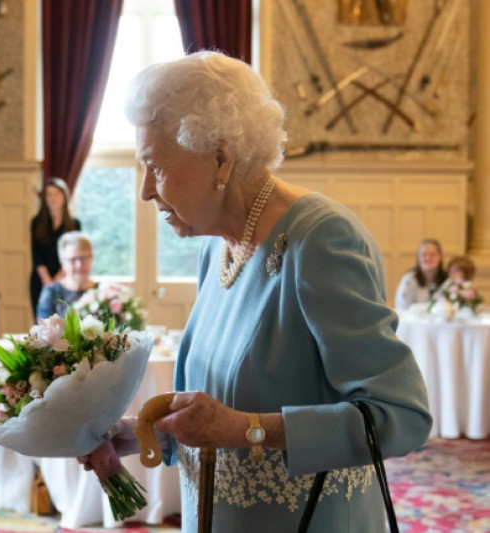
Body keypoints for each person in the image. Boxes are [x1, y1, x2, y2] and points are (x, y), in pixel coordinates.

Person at [80, 52, 431, 531]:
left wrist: (244, 430)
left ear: (221, 158)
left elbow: (400, 416)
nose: (144, 191)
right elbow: (220, 403)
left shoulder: (321, 239)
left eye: (155, 166)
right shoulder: (217, 247)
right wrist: (137, 432)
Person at [30, 177, 81, 317]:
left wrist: (57, 280)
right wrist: (48, 283)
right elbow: (36, 256)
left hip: (67, 279)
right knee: (42, 323)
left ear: (64, 196)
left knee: (66, 322)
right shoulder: (36, 223)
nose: (53, 198)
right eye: (49, 194)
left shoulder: (74, 224)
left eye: (56, 194)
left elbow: (75, 255)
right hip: (41, 280)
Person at [35, 231, 97, 320]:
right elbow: (42, 330)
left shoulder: (102, 293)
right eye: (73, 259)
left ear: (91, 259)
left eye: (84, 258)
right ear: (63, 262)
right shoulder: (51, 292)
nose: (79, 265)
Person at [394, 238, 447, 311]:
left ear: (440, 257)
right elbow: (402, 308)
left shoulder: (447, 280)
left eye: (432, 254)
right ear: (418, 258)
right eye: (424, 254)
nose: (428, 258)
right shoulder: (409, 279)